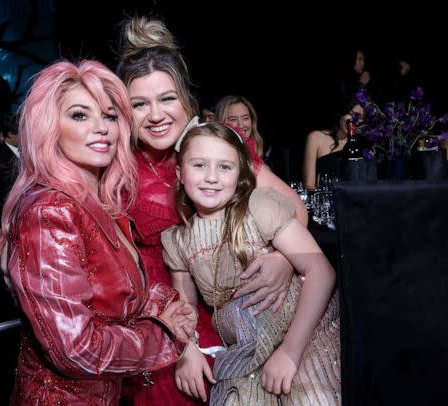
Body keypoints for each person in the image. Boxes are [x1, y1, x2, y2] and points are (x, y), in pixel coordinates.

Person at [116, 16, 308, 405]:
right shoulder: (118, 169)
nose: (155, 115)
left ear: (187, 98)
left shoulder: (217, 146)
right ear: (124, 110)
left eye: (167, 98)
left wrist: (281, 259)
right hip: (168, 325)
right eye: (140, 104)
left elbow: (294, 208)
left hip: (243, 315)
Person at [0, 60, 198, 405]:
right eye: (79, 115)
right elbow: (77, 350)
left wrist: (168, 304)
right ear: (49, 127)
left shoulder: (99, 201)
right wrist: (166, 335)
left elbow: (114, 293)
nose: (101, 127)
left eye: (109, 115)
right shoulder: (50, 210)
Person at [163, 122, 340, 404]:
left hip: (302, 334)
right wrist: (188, 349)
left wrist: (290, 352)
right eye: (199, 165)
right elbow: (186, 309)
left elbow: (321, 271)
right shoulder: (178, 240)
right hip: (246, 348)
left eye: (225, 167)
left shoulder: (259, 207)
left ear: (240, 175)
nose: (211, 177)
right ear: (179, 173)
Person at [302, 100, 364, 189]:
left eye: (359, 117)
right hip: (326, 198)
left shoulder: (365, 146)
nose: (353, 120)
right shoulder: (316, 138)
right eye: (350, 114)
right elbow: (309, 184)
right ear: (341, 114)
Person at [0, 114, 20, 202]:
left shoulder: (23, 151)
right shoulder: (2, 158)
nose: (26, 136)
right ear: (10, 134)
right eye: (22, 133)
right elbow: (9, 188)